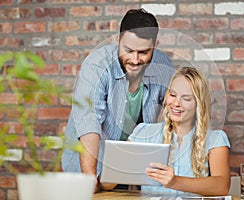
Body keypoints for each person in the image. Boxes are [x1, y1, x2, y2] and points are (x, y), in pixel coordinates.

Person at [61, 8, 175, 192]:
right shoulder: (97, 66)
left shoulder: (163, 66)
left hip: (127, 170)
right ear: (118, 40)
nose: (135, 59)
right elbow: (89, 123)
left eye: (143, 52)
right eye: (128, 50)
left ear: (155, 45)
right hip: (89, 168)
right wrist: (89, 181)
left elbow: (175, 111)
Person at [101, 67, 231, 196]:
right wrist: (116, 169)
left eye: (186, 98)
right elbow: (105, 183)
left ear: (199, 104)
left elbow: (221, 186)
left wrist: (175, 182)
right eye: (172, 95)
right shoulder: (144, 133)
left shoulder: (216, 139)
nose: (176, 103)